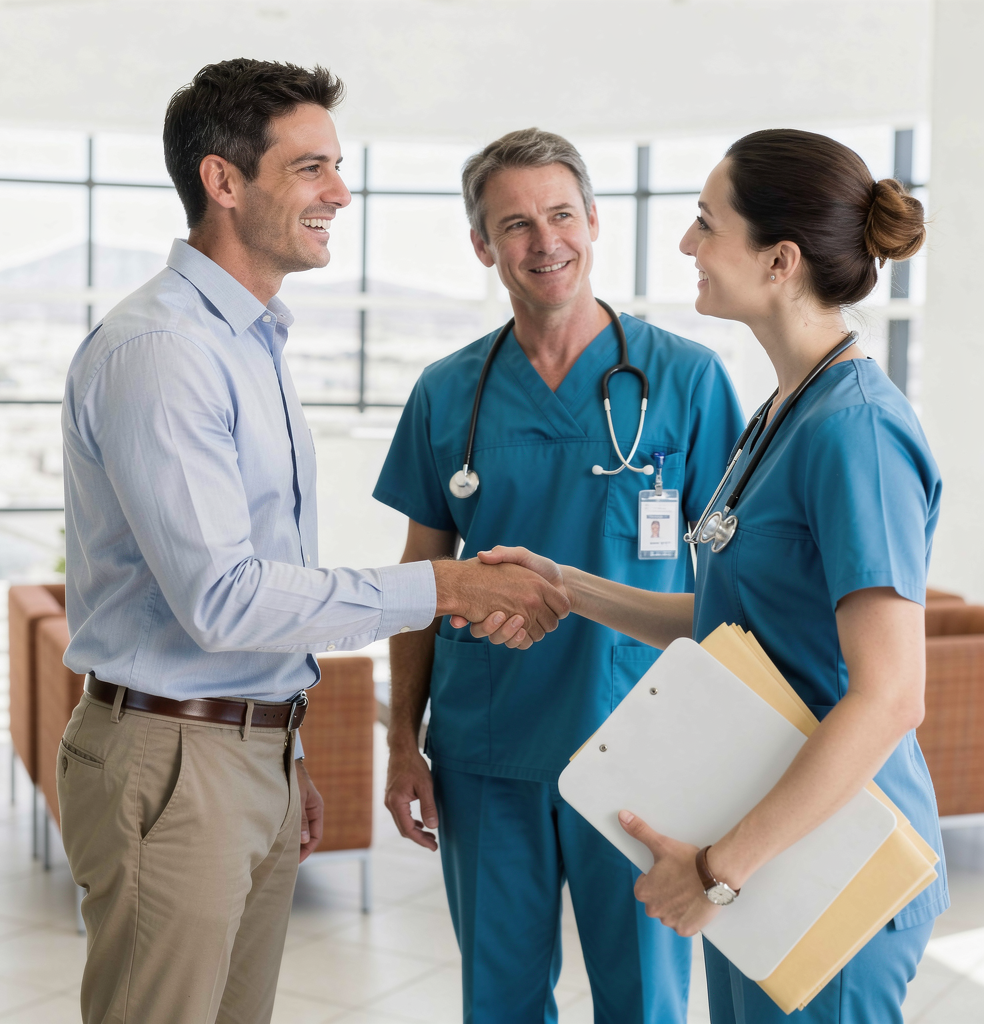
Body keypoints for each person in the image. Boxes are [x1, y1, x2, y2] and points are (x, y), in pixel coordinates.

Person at [56, 60, 569, 1024]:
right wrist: (447, 590)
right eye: (311, 169)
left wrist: (276, 753)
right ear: (223, 180)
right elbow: (228, 598)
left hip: (237, 748)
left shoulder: (250, 342)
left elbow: (261, 588)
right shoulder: (164, 351)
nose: (340, 191)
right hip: (176, 759)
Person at [470, 129, 948, 1023]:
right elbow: (731, 623)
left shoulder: (857, 434)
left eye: (705, 222)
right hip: (763, 846)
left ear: (779, 259)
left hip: (831, 856)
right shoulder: (782, 412)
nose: (687, 243)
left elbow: (889, 698)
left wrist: (719, 872)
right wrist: (566, 586)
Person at [374, 128, 745, 1024]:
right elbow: (420, 580)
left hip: (646, 751)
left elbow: (739, 587)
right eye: (515, 224)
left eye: (561, 215)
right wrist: (400, 742)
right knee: (498, 1001)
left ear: (594, 221)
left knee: (645, 1002)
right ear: (481, 245)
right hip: (487, 748)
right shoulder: (446, 392)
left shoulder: (686, 380)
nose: (545, 242)